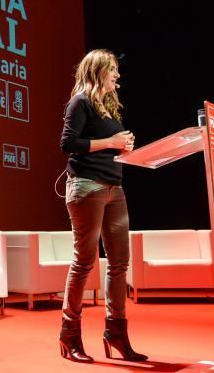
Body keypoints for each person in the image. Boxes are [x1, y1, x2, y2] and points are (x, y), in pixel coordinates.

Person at [58, 49, 147, 363]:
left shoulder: (109, 108)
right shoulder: (79, 102)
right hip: (87, 187)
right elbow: (68, 144)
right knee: (84, 262)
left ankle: (116, 334)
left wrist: (125, 145)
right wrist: (112, 143)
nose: (117, 76)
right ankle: (69, 337)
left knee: (120, 263)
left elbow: (110, 147)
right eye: (113, 70)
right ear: (97, 71)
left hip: (114, 188)